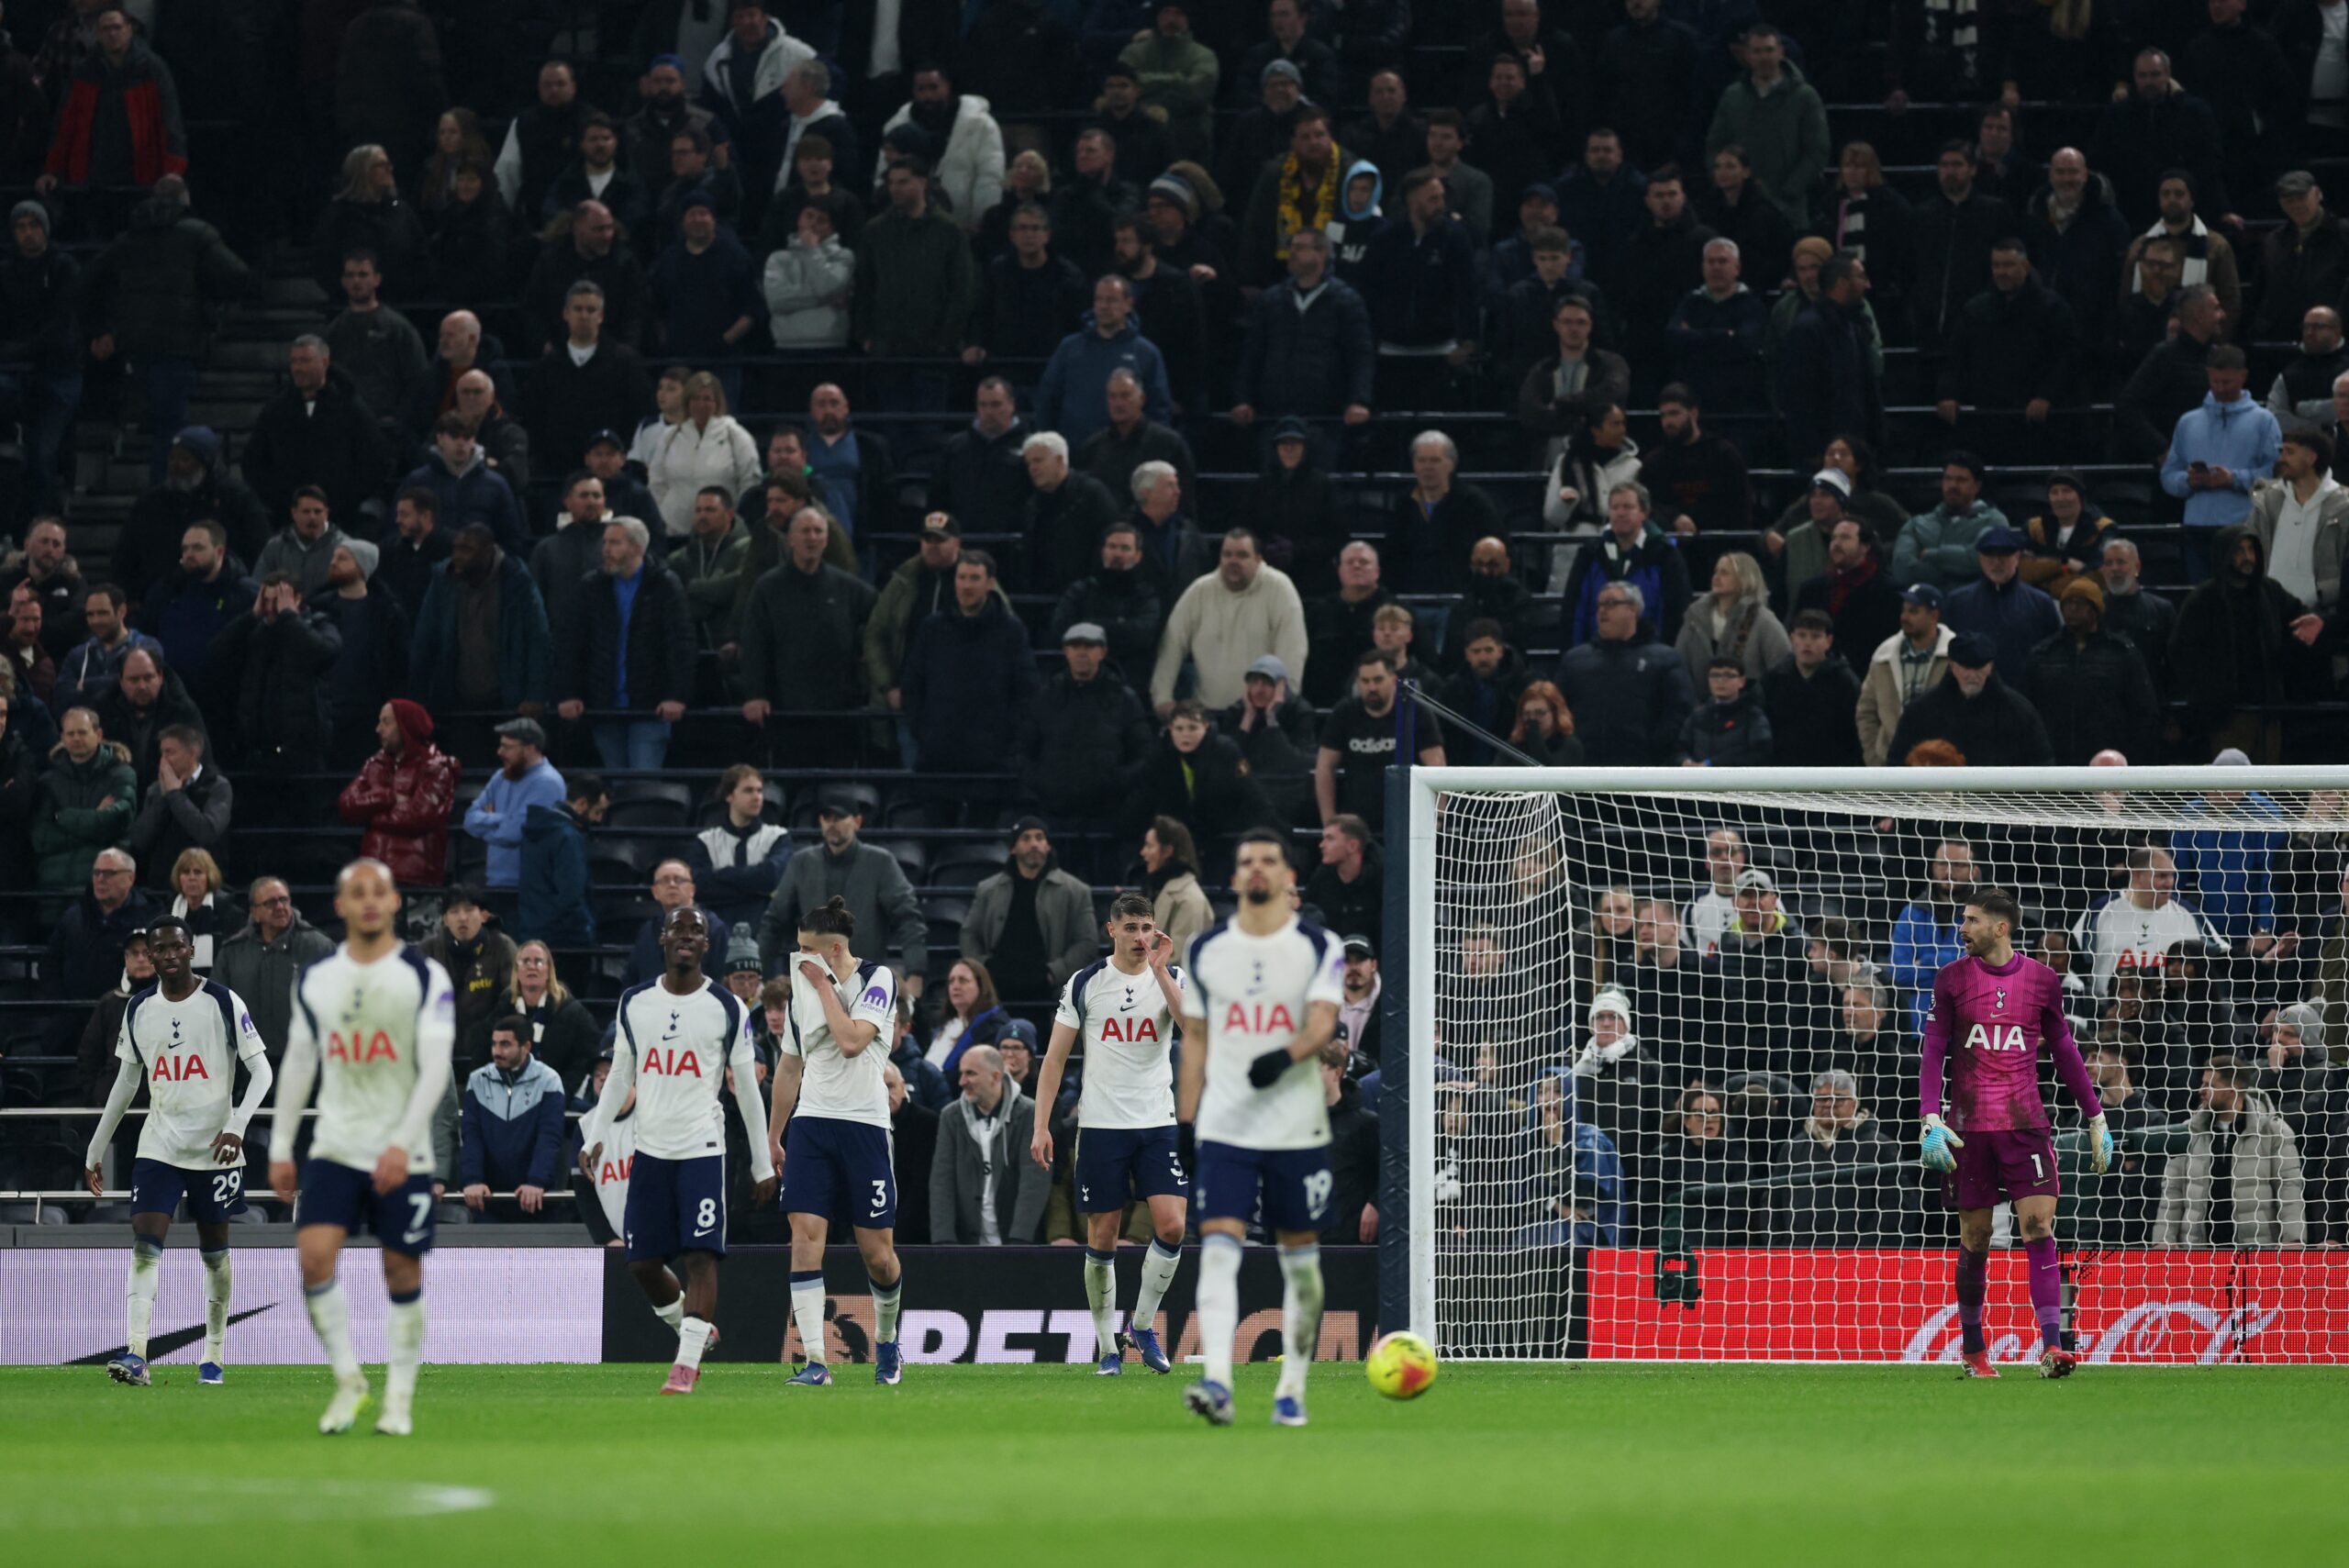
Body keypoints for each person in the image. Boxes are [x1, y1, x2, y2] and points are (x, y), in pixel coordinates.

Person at [263, 861, 454, 1434]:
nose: (369, 901)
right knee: (313, 1259)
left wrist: (402, 1142)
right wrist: (279, 1144)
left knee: (400, 1270)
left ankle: (399, 1398)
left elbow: (436, 1068)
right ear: (340, 905)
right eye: (357, 893)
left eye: (379, 891)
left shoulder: (424, 975)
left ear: (395, 902)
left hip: (406, 1150)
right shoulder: (317, 977)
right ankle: (349, 1382)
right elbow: (299, 1060)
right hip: (337, 1144)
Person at [1176, 828, 1343, 1427]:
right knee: (1219, 1250)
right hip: (1226, 1123)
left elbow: (1325, 1018)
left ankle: (1292, 1387)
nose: (1256, 868)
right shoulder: (1205, 949)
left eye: (1268, 860)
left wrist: (1289, 1053)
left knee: (1301, 1263)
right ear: (1236, 873)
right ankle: (1218, 1381)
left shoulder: (1317, 944)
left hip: (1297, 1127)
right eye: (1246, 859)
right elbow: (1194, 1037)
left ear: (1287, 876)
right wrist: (1186, 1119)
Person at [1917, 887, 2112, 1375]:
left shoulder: (2043, 981)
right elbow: (1934, 1048)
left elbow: (2064, 1048)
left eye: (1971, 920)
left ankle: (2053, 1346)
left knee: (2039, 1226)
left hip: (2026, 1126)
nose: (1962, 928)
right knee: (1977, 1237)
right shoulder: (1951, 980)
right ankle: (1974, 1350)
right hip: (1968, 1129)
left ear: (2000, 928)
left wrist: (2095, 1115)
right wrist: (1929, 1116)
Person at [580, 905, 774, 1394]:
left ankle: (684, 1366)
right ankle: (693, 1332)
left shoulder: (726, 1007)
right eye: (678, 929)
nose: (687, 936)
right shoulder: (634, 1002)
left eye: (697, 931)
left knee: (700, 1256)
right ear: (662, 939)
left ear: (708, 946)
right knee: (642, 1263)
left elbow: (746, 1089)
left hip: (703, 1150)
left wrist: (760, 1161)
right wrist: (596, 1133)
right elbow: (620, 1074)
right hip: (650, 1151)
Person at [81, 914, 270, 1387]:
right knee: (145, 1246)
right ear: (148, 955)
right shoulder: (138, 1008)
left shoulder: (222, 1002)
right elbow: (128, 1082)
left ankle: (213, 1354)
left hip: (215, 1150)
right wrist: (96, 1145)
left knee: (215, 1254)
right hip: (159, 1144)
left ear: (190, 950)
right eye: (156, 950)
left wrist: (237, 1125)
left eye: (175, 948)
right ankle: (137, 1354)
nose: (166, 956)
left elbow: (262, 1072)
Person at [1027, 893, 1190, 1370]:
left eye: (1148, 927)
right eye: (1132, 928)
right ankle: (1106, 1347)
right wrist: (1041, 1125)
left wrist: (1161, 970)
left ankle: (1140, 1324)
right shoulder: (1086, 983)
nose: (1141, 937)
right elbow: (1055, 1060)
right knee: (1103, 1236)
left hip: (1157, 1121)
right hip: (1101, 1125)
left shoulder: (1173, 978)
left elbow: (1193, 1029)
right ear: (1111, 930)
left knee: (1173, 1225)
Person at [764, 896, 907, 1385]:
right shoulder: (801, 991)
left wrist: (822, 985)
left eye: (809, 950)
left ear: (836, 949)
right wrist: (775, 1134)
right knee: (804, 1238)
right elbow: (790, 1064)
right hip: (812, 1125)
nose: (800, 958)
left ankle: (887, 1342)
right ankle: (817, 1362)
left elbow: (850, 1041)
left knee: (878, 1255)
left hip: (865, 1126)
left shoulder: (878, 979)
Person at [556, 517, 692, 772]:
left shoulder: (664, 584)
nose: (605, 549)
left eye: (615, 543)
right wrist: (569, 692)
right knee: (616, 784)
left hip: (649, 705)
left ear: (637, 548)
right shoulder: (592, 586)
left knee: (642, 782)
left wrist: (676, 695)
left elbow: (680, 643)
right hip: (604, 704)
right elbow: (572, 643)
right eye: (605, 542)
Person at [1149, 528, 1307, 717]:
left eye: (1242, 555)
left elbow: (1293, 651)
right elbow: (1171, 645)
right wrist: (1162, 698)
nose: (1233, 561)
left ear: (1258, 559)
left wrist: (1284, 705)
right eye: (1227, 554)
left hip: (1261, 715)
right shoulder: (1200, 590)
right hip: (1207, 715)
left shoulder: (1279, 588)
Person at [2153, 1057, 2309, 1248]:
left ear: (2232, 1090)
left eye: (2209, 1085)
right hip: (2198, 1255)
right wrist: (2163, 1240)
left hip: (2256, 1255)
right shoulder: (2187, 1133)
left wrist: (2293, 1238)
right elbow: (2172, 1191)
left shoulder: (2274, 1132)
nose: (2200, 1090)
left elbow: (2289, 1188)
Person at [1018, 621, 1153, 834]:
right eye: (1075, 646)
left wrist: (1115, 783)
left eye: (1089, 646)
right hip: (1054, 814)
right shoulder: (1045, 697)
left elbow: (1144, 754)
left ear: (1103, 652)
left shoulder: (1124, 699)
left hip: (1108, 816)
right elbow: (1023, 750)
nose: (1082, 653)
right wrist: (1045, 783)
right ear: (1065, 651)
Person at [2162, 347, 2283, 564]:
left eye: (2227, 382)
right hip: (2196, 527)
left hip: (2244, 527)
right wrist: (2187, 480)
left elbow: (2275, 475)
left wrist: (2232, 479)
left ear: (2243, 376)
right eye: (2215, 381)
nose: (2220, 388)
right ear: (2208, 374)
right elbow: (2168, 474)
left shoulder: (2264, 421)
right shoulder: (2188, 422)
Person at [960, 817, 1098, 1007]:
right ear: (1013, 849)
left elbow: (1087, 942)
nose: (1034, 844)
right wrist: (985, 968)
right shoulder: (988, 889)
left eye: (1040, 838)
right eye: (1026, 838)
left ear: (1048, 846)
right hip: (997, 987)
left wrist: (1053, 974)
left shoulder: (1076, 890)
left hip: (1050, 992)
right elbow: (969, 934)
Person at [2023, 579, 2161, 766]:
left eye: (2080, 603)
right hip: (2054, 761)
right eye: (2067, 603)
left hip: (2108, 761)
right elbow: (2028, 710)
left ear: (2095, 609)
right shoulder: (2043, 654)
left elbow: (2143, 711)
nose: (2072, 609)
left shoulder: (2122, 653)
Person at [1554, 582, 1693, 766]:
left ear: (1633, 609)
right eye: (1599, 605)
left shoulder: (1665, 659)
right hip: (1584, 769)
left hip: (1644, 770)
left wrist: (1655, 747)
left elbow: (1678, 712)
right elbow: (1557, 708)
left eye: (1611, 603)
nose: (1602, 611)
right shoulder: (1575, 660)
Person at [1703, 26, 1826, 229]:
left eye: (1769, 50)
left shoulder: (1805, 97)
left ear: (1781, 52)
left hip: (1789, 212)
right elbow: (1714, 145)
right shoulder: (1732, 96)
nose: (1763, 57)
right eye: (1757, 51)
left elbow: (1817, 152)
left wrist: (1787, 192)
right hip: (1737, 210)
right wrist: (1724, 182)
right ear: (1746, 55)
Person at [1316, 651, 1446, 833]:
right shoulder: (1343, 713)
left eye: (1378, 680)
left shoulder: (1417, 712)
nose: (1372, 688)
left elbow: (1437, 767)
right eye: (1365, 681)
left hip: (1407, 822)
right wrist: (1329, 821)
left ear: (1393, 681)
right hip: (1356, 826)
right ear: (1357, 683)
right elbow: (1324, 767)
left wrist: (1437, 817)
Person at [1887, 633, 2055, 768]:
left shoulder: (2018, 711)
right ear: (1952, 666)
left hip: (1999, 806)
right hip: (1939, 805)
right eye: (1966, 667)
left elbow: (2041, 762)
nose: (1973, 676)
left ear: (1990, 667)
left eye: (1979, 667)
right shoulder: (1922, 711)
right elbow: (1897, 761)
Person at [338, 699, 459, 886]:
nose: (378, 729)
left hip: (415, 880)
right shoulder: (375, 764)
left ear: (406, 726)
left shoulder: (437, 768)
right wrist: (387, 797)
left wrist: (371, 816)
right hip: (372, 879)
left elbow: (418, 817)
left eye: (386, 722)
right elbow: (347, 804)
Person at [459, 1017, 567, 1221]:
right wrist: (472, 1180)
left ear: (526, 1046)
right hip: (487, 1200)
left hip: (535, 1201)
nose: (496, 1051)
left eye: (505, 1044)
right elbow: (471, 1135)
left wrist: (537, 1181)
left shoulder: (549, 1081)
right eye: (494, 1044)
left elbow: (549, 1137)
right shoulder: (477, 1080)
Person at [2248, 429, 2349, 627]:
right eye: (2282, 452)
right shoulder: (2267, 501)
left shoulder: (2344, 506)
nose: (2282, 459)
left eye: (2290, 452)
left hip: (2320, 616)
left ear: (2311, 458)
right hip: (2268, 613)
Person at [462, 718, 566, 889]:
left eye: (508, 747)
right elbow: (469, 820)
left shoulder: (547, 782)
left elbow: (514, 833)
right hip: (497, 880)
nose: (499, 752)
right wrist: (505, 819)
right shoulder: (500, 776)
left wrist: (487, 825)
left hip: (531, 885)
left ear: (530, 748)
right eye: (501, 745)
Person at [127, 723, 228, 890]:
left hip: (205, 886)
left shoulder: (217, 787)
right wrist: (164, 796)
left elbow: (206, 833)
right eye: (162, 753)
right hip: (162, 886)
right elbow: (140, 840)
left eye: (170, 752)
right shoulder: (156, 790)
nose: (163, 760)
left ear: (192, 754)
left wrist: (175, 795)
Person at [1893, 455, 2009, 592]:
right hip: (1925, 609)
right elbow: (1902, 570)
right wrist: (1956, 577)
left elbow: (1979, 561)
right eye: (1948, 479)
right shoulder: (1918, 524)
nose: (1953, 485)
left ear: (1976, 487)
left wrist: (1930, 555)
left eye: (1961, 480)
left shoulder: (1993, 522)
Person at [516, 773, 606, 950]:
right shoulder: (568, 837)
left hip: (532, 931)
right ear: (581, 804)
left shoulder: (535, 830)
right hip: (565, 940)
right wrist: (586, 930)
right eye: (598, 811)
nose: (599, 819)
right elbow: (570, 895)